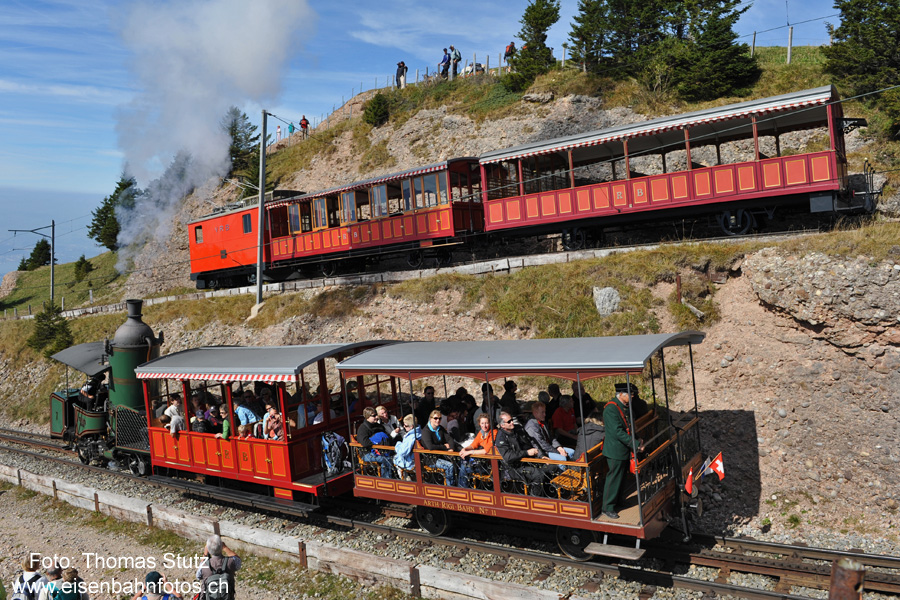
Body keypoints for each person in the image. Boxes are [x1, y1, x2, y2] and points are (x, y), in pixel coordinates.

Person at [601, 383, 644, 519]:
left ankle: (619, 500)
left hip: (623, 449)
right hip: (615, 450)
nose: (632, 396)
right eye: (629, 394)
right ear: (620, 394)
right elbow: (617, 432)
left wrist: (637, 438)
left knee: (622, 477)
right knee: (614, 478)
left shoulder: (623, 407)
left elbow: (628, 427)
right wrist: (635, 444)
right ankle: (607, 507)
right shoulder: (611, 409)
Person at [494, 411, 550, 495]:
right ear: (502, 425)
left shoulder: (518, 429)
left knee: (551, 467)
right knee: (538, 475)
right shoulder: (501, 438)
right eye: (509, 422)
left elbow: (531, 442)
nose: (512, 422)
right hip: (514, 467)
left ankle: (548, 495)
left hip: (528, 461)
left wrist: (541, 455)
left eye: (512, 420)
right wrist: (526, 453)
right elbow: (508, 457)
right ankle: (534, 500)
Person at [197, 534, 241, 600]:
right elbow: (238, 560)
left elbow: (198, 576)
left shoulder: (204, 565)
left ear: (208, 549)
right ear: (221, 547)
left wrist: (205, 553)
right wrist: (225, 548)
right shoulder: (231, 562)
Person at [420, 409, 457, 485]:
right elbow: (430, 447)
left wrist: (451, 449)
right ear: (430, 419)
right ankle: (450, 487)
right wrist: (445, 447)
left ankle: (458, 484)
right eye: (435, 418)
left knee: (458, 460)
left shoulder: (440, 428)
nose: (438, 420)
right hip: (431, 458)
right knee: (449, 466)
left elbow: (449, 439)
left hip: (441, 455)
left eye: (439, 418)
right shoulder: (426, 431)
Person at [458, 414, 497, 488]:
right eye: (482, 423)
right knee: (462, 464)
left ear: (490, 423)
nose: (484, 426)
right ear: (479, 424)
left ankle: (462, 490)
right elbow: (473, 445)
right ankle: (463, 489)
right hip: (480, 462)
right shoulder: (481, 433)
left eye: (486, 423)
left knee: (464, 467)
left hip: (488, 465)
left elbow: (486, 450)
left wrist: (469, 452)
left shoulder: (494, 432)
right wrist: (465, 449)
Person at [357, 407, 393, 478]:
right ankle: (386, 480)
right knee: (386, 459)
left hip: (382, 450)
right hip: (367, 453)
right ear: (367, 417)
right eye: (374, 416)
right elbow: (365, 442)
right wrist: (377, 443)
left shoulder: (379, 426)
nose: (376, 417)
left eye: (376, 415)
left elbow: (387, 436)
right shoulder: (363, 428)